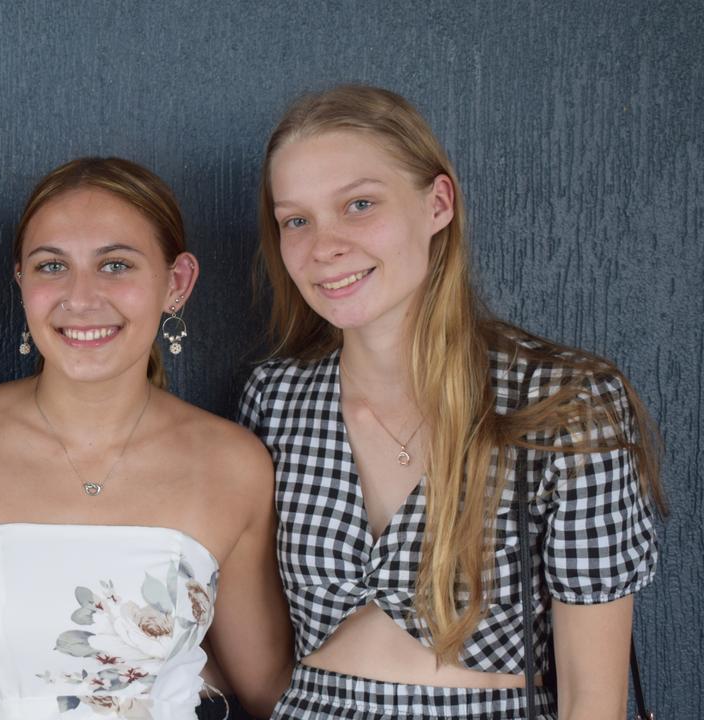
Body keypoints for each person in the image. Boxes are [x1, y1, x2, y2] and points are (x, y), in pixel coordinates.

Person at [240, 85, 666, 720]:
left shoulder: (568, 404)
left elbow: (593, 702)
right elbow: (263, 664)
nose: (323, 246)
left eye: (359, 204)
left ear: (437, 203)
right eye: (296, 219)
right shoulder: (275, 399)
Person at [0, 157, 293, 719]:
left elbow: (268, 688)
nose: (81, 297)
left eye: (115, 265)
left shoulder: (232, 463)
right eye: (52, 266)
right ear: (21, 281)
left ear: (177, 283)